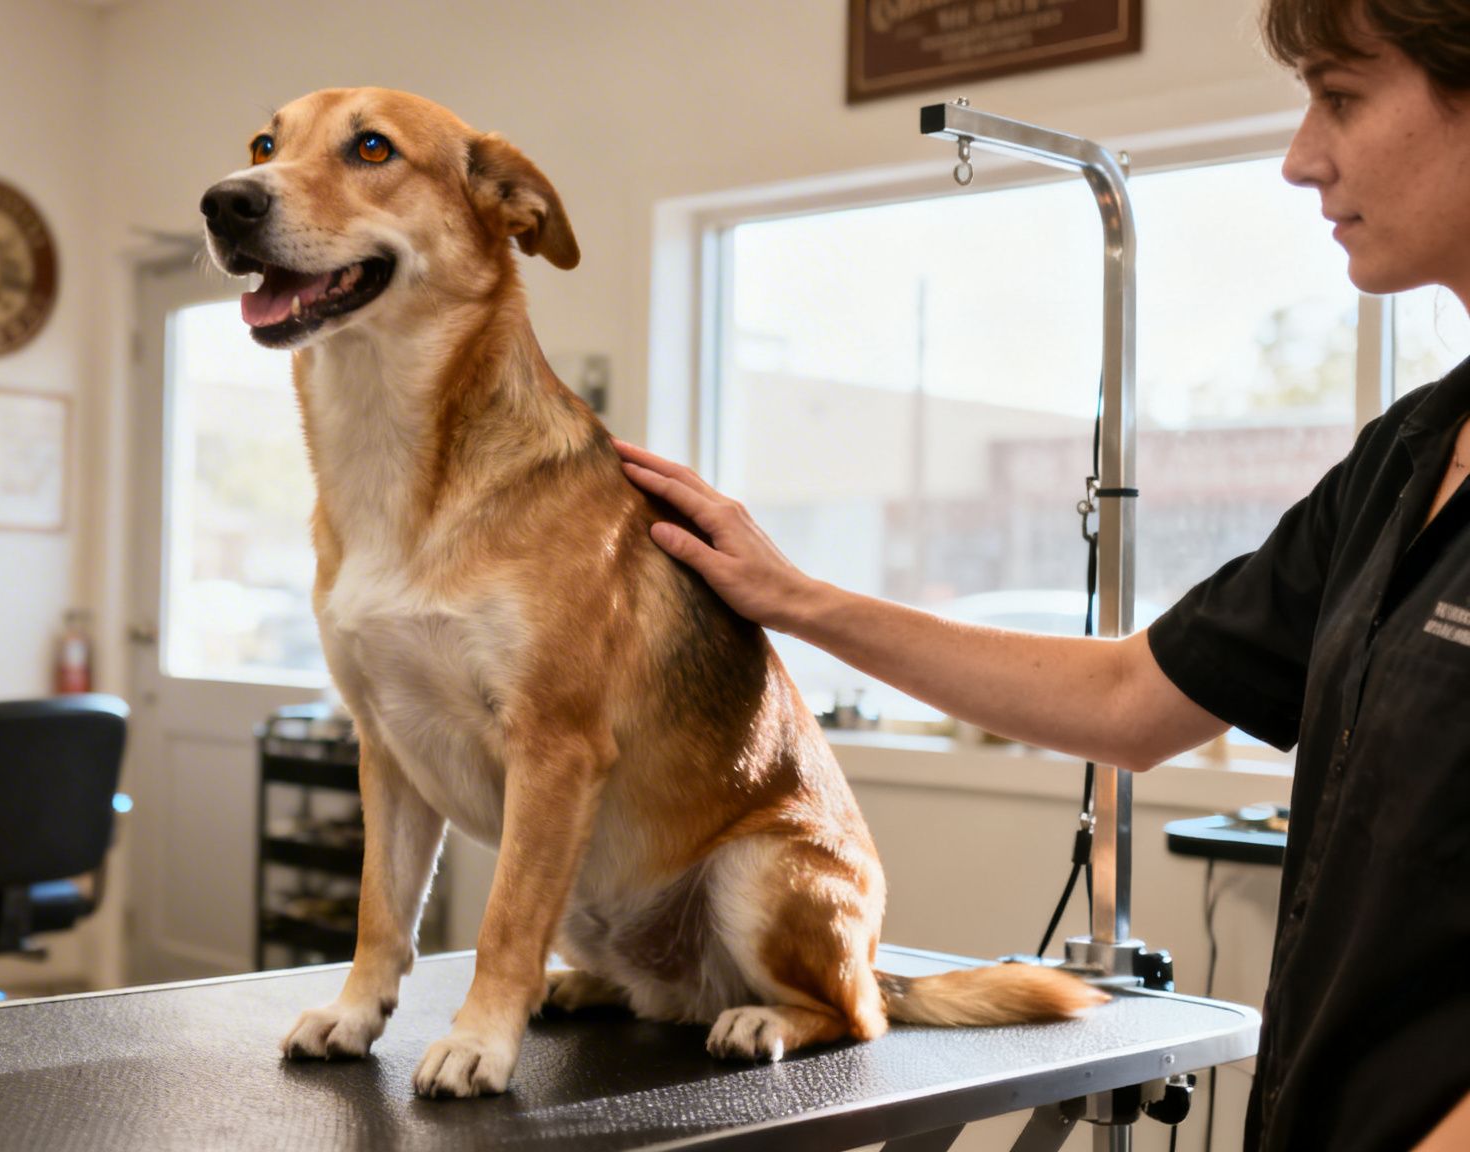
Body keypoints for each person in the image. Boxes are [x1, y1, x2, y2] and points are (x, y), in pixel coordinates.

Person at [615, 1, 1470, 1149]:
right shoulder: (1403, 460)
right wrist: (791, 598)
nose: (1297, 157)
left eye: (1342, 97)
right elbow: (1127, 700)